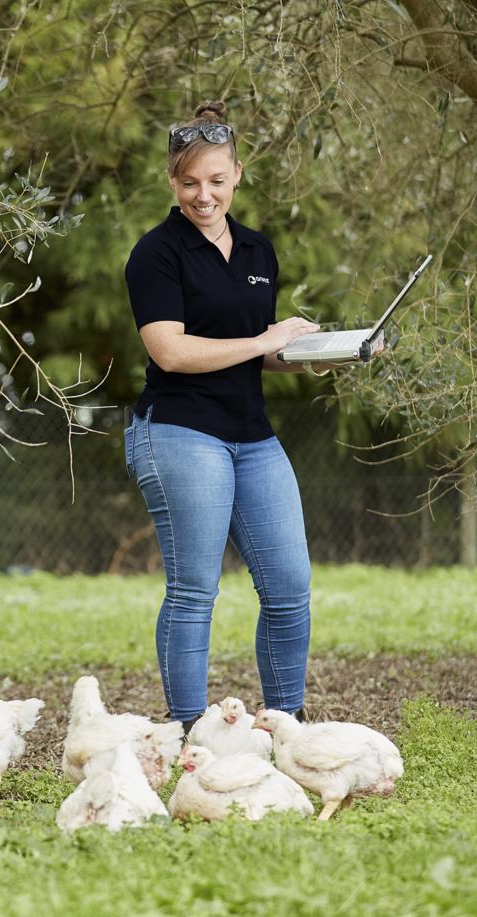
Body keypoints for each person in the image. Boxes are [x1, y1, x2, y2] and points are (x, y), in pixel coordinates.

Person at [123, 100, 364, 732]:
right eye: (190, 183)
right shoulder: (156, 254)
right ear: (173, 183)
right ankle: (184, 733)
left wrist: (322, 354)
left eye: (216, 181)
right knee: (195, 590)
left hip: (251, 436)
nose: (204, 195)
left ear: (237, 174)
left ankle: (286, 727)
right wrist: (265, 341)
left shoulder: (258, 251)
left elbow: (259, 353)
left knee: (288, 587)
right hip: (178, 430)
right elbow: (171, 351)